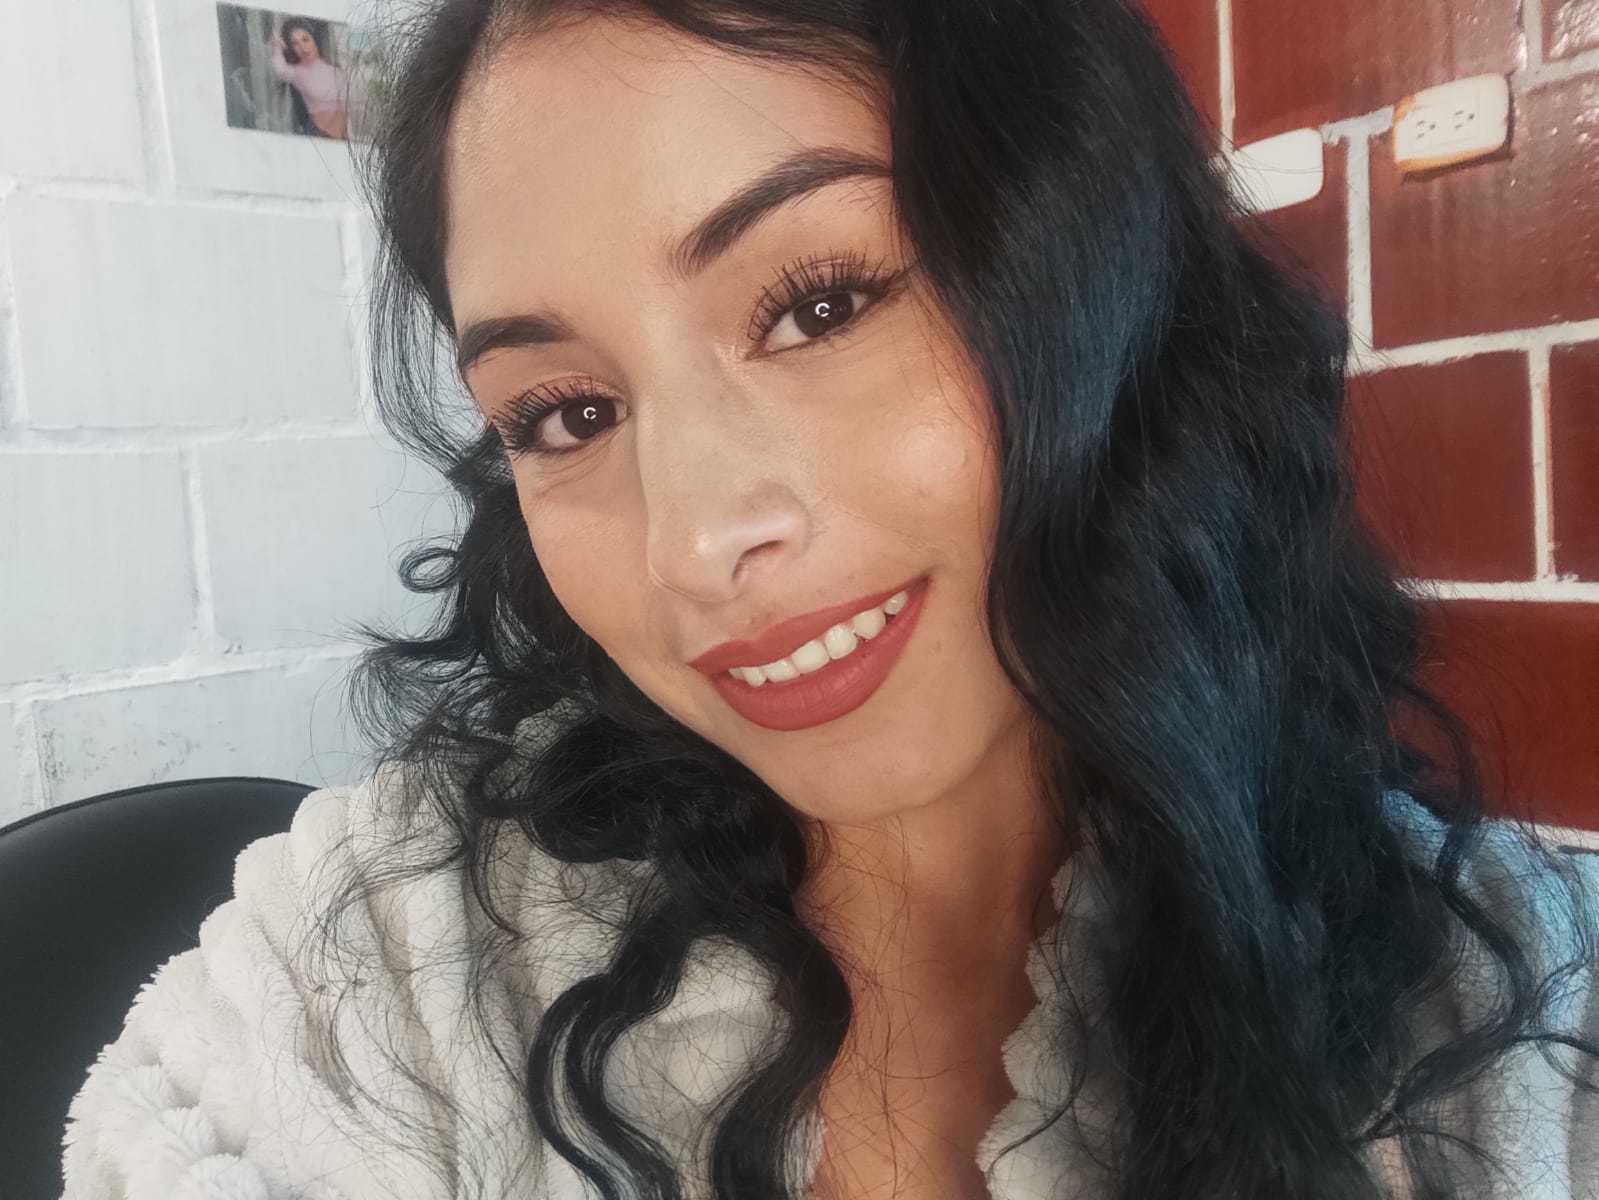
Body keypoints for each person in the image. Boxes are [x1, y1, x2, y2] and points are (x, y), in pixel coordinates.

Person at [59, 2, 1599, 1198]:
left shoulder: (1502, 1012)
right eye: (566, 413)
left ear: (1085, 276)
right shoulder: (396, 951)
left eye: (817, 304)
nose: (694, 540)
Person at [268, 20, 351, 140]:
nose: (303, 47)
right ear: (292, 49)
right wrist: (277, 47)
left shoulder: (335, 70)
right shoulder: (297, 73)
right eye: (295, 44)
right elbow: (280, 69)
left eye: (305, 39)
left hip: (343, 139)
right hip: (318, 135)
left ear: (314, 40)